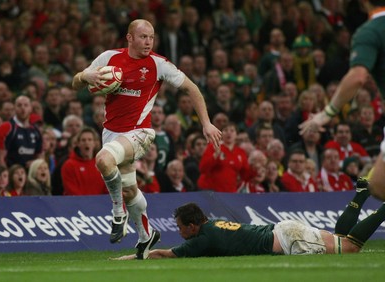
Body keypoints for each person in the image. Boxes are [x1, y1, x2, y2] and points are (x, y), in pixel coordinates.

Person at [71, 19, 222, 259]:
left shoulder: (158, 64)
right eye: (143, 37)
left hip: (140, 133)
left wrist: (206, 123)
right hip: (112, 133)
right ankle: (146, 235)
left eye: (151, 37)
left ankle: (117, 212)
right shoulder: (108, 58)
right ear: (129, 38)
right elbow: (76, 84)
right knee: (130, 190)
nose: (148, 42)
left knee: (102, 160)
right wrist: (84, 75)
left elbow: (192, 88)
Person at [115, 178, 385, 259]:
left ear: (193, 226)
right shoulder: (214, 225)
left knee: (350, 247)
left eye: (181, 228)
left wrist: (128, 257)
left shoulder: (202, 239)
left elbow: (162, 255)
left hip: (288, 240)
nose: (180, 232)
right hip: (283, 231)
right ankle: (361, 193)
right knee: (340, 240)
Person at [299, 0, 385, 200]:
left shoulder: (370, 31)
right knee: (379, 185)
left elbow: (358, 76)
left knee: (379, 186)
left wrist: (327, 113)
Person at [0, 95, 43, 169]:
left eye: (26, 105)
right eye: (19, 105)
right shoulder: (6, 127)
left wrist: (34, 163)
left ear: (30, 109)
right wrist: (7, 176)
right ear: (14, 108)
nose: (23, 108)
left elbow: (40, 156)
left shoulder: (36, 131)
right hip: (10, 173)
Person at [61, 127, 108, 195]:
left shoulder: (102, 164)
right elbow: (70, 190)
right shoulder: (68, 165)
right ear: (78, 143)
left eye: (89, 140)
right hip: (77, 204)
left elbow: (108, 188)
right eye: (83, 140)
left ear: (95, 143)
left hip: (99, 204)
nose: (86, 142)